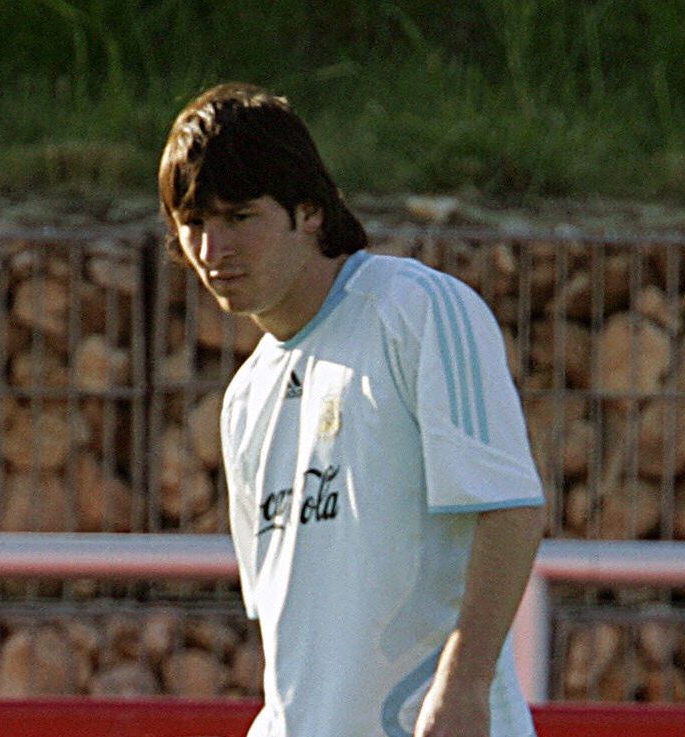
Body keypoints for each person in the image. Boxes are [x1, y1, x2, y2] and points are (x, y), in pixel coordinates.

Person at [158, 83, 546, 737]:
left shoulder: (417, 309)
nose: (211, 250)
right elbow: (290, 634)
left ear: (310, 210)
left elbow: (511, 509)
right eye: (194, 223)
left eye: (239, 218)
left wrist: (465, 685)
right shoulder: (246, 399)